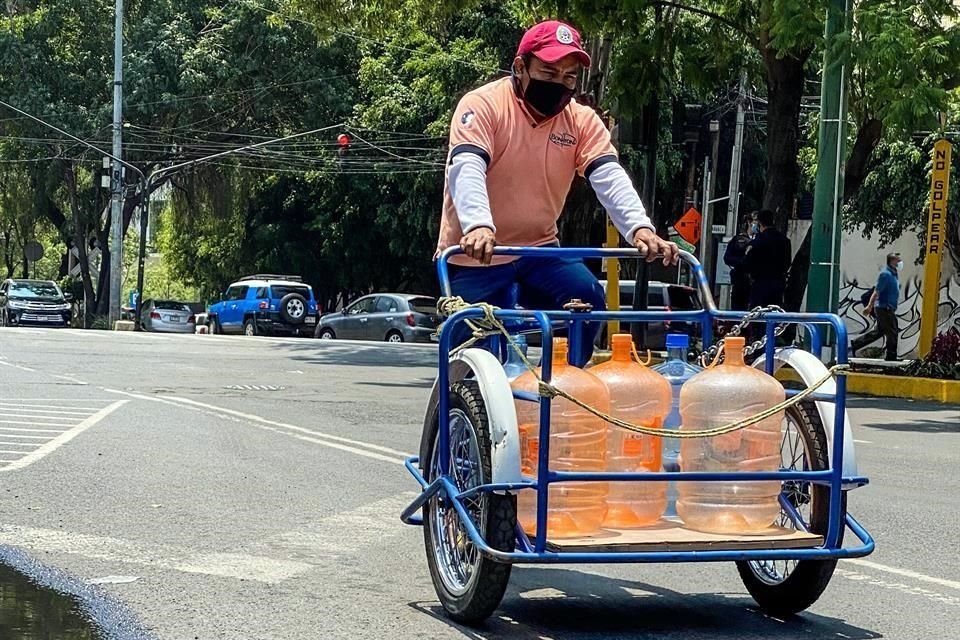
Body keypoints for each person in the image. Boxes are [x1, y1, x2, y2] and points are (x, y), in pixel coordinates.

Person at [436, 20, 678, 366]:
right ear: (520, 68)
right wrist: (478, 225)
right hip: (476, 254)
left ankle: (566, 383)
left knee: (586, 298)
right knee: (466, 336)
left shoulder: (581, 120)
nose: (560, 86)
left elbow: (608, 175)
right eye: (549, 73)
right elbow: (467, 166)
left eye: (568, 78)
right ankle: (461, 405)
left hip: (540, 250)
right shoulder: (484, 105)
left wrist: (640, 229)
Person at [851, 253, 903, 360]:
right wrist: (869, 306)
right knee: (892, 331)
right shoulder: (885, 274)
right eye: (898, 260)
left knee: (879, 332)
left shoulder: (893, 274)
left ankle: (855, 344)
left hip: (888, 308)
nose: (900, 262)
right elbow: (876, 292)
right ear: (892, 261)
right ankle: (891, 356)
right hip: (884, 308)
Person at [743, 209, 791, 309]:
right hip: (778, 284)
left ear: (759, 222)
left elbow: (747, 263)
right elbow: (787, 262)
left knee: (758, 316)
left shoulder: (757, 242)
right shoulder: (784, 240)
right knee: (774, 314)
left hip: (760, 284)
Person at [723, 215, 754, 311]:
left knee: (736, 307)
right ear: (748, 224)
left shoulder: (734, 240)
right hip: (748, 280)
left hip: (737, 279)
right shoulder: (752, 242)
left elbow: (727, 258)